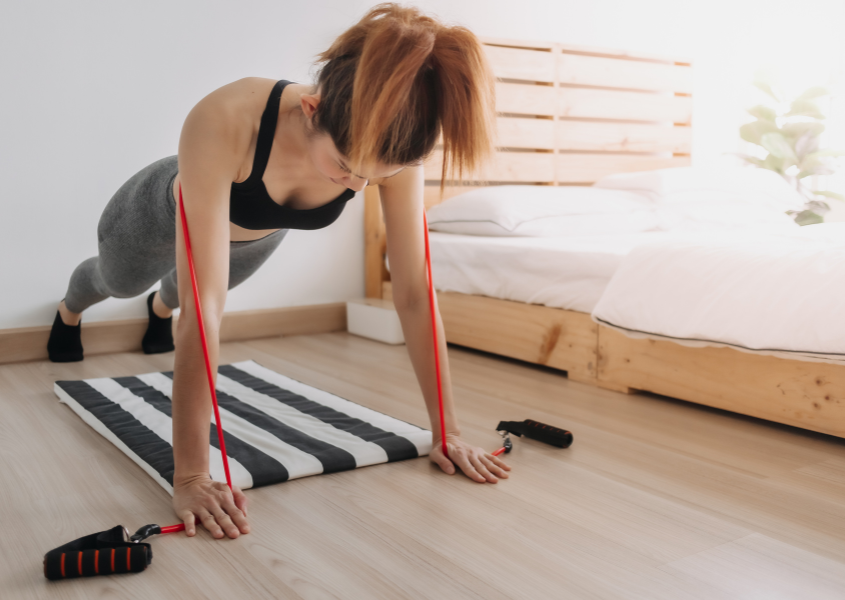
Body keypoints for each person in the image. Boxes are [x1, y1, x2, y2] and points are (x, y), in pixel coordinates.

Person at [47, 3, 510, 540]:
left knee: (177, 295)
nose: (358, 188)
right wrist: (193, 474)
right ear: (312, 108)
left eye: (373, 178)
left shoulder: (394, 147)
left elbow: (411, 291)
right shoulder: (227, 116)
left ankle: (157, 308)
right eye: (344, 169)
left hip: (253, 238)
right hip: (155, 214)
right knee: (116, 281)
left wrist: (447, 431)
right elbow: (207, 309)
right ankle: (69, 308)